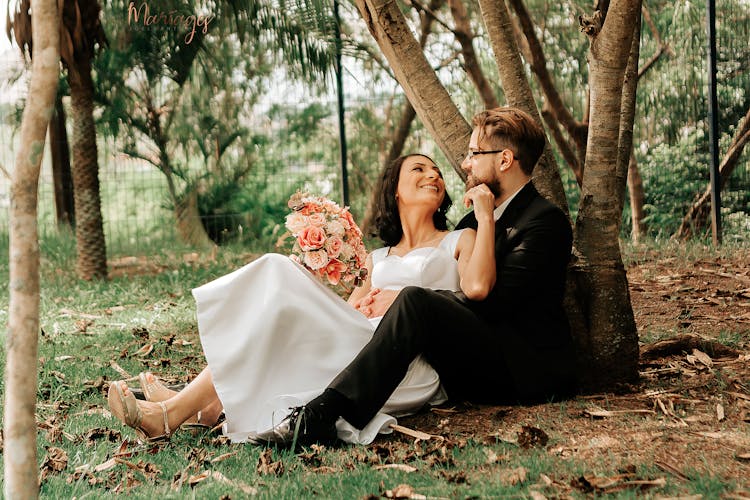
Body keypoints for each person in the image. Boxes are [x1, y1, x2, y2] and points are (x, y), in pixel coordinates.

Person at [107, 153, 498, 444]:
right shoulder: (374, 259)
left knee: (276, 273)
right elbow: (347, 316)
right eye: (419, 169)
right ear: (395, 188)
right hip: (359, 344)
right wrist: (334, 293)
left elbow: (478, 287)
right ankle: (198, 404)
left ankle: (177, 410)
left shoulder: (457, 241)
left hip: (401, 365)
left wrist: (485, 218)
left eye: (437, 173)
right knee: (281, 285)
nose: (433, 175)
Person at [256, 106, 578, 446]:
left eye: (473, 154)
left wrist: (407, 296)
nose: (466, 164)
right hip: (468, 361)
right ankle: (309, 402)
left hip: (523, 369)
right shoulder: (471, 224)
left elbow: (496, 303)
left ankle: (324, 413)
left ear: (504, 160)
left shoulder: (545, 221)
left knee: (413, 298)